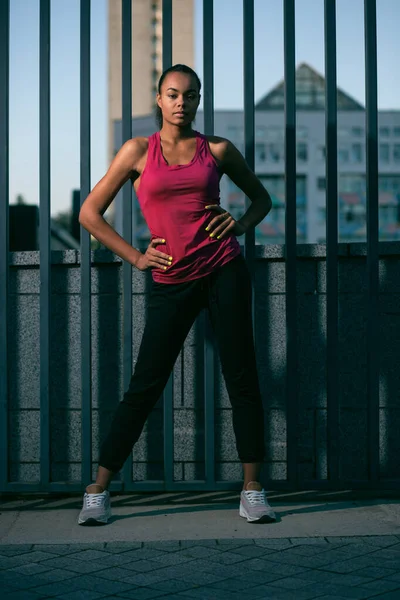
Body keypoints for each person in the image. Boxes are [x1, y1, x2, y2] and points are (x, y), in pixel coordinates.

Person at [77, 64, 275, 526]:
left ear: (198, 100)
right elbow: (89, 213)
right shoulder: (137, 152)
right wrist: (136, 256)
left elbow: (261, 199)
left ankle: (252, 490)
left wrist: (240, 224)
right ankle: (97, 490)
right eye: (173, 94)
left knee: (241, 378)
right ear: (159, 100)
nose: (181, 102)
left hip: (224, 269)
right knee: (145, 384)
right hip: (171, 279)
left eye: (190, 95)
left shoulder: (219, 150)